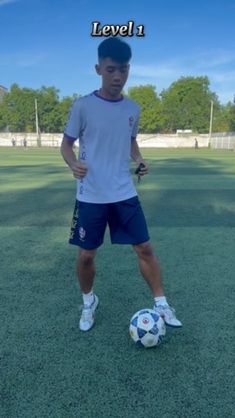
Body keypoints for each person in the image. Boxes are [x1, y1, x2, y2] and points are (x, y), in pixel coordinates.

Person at [60, 37, 182, 332]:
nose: (118, 77)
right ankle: (89, 301)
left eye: (124, 70)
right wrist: (72, 163)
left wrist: (139, 159)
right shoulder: (83, 106)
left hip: (124, 192)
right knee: (87, 255)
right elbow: (66, 145)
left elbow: (129, 140)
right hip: (91, 194)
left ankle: (162, 305)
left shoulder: (133, 109)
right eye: (111, 69)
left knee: (145, 248)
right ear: (98, 68)